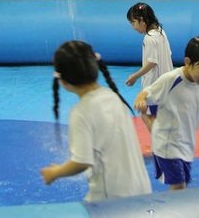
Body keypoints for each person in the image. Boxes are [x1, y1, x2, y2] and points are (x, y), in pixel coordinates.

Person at [40, 40, 152, 201]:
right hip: (142, 188)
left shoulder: (81, 112)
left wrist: (55, 172)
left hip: (113, 196)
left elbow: (81, 162)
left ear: (63, 81)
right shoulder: (112, 96)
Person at [134, 36, 199, 191]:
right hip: (166, 143)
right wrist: (140, 99)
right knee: (178, 185)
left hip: (186, 144)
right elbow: (147, 91)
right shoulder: (172, 80)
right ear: (188, 62)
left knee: (182, 186)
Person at [126, 2, 174, 131]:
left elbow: (152, 62)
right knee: (158, 116)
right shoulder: (161, 32)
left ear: (142, 20)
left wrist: (135, 76)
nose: (133, 27)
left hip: (154, 86)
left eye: (133, 22)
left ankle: (160, 143)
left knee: (145, 115)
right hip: (166, 84)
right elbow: (168, 54)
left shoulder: (149, 38)